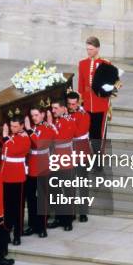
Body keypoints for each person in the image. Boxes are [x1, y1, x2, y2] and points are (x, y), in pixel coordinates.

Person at [24, 107, 55, 238]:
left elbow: (38, 144)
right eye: (32, 116)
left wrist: (29, 130)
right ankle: (32, 224)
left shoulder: (48, 128)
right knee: (31, 199)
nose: (34, 118)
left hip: (42, 167)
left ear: (42, 115)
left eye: (36, 115)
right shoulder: (30, 127)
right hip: (31, 167)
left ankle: (42, 227)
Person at [78, 36, 110, 157]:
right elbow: (81, 85)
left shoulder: (105, 64)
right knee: (88, 134)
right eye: (87, 49)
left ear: (97, 49)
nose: (88, 51)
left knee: (98, 135)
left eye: (91, 49)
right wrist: (80, 103)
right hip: (87, 105)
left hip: (100, 105)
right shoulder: (82, 63)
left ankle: (98, 160)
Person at [47, 99, 77, 231]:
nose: (53, 111)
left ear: (64, 109)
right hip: (54, 160)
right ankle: (59, 217)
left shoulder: (69, 121)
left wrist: (50, 126)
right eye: (52, 108)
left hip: (66, 160)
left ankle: (68, 219)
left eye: (55, 108)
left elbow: (61, 137)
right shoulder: (55, 121)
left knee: (68, 191)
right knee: (56, 191)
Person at [0, 116, 31, 246]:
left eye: (15, 126)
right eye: (11, 126)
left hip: (18, 178)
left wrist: (6, 137)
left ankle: (17, 235)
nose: (13, 129)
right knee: (6, 208)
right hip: (5, 176)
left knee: (17, 208)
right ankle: (6, 235)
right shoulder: (11, 138)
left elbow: (14, 150)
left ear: (22, 126)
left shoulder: (25, 138)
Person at [67, 90, 91, 223]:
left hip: (81, 149)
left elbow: (77, 133)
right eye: (69, 104)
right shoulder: (66, 114)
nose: (71, 107)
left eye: (73, 104)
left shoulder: (84, 115)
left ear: (78, 103)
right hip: (69, 151)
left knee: (82, 182)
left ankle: (83, 211)